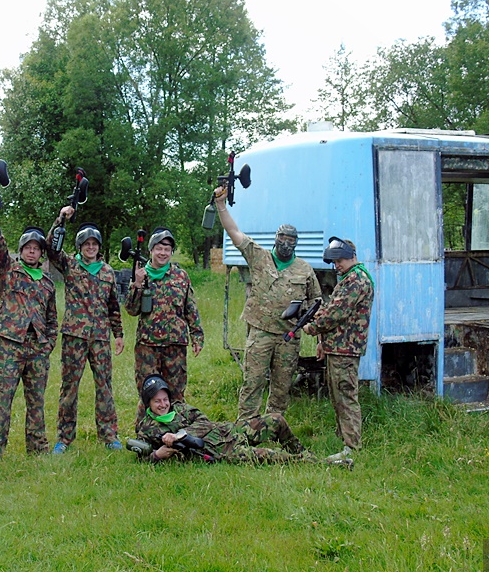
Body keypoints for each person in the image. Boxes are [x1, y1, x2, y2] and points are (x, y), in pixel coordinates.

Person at [213, 186, 321, 421]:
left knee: (282, 388)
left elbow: (316, 304)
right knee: (253, 382)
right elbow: (234, 232)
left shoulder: (305, 269)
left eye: (291, 240)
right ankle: (245, 430)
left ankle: (273, 427)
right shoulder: (259, 256)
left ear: (296, 243)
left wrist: (314, 329)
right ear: (275, 238)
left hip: (288, 338)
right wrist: (221, 205)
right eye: (282, 238)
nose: (286, 243)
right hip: (260, 335)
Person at [0, 190, 58, 462]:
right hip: (9, 348)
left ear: (41, 253)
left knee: (36, 403)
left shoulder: (48, 283)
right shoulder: (8, 270)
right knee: (2, 401)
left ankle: (38, 450)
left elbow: (52, 320)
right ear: (21, 250)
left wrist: (47, 345)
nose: (32, 251)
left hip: (37, 349)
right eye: (28, 247)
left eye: (37, 248)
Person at [136, 376, 351, 466]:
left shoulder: (180, 408)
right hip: (222, 450)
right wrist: (157, 455)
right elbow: (140, 456)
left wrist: (179, 435)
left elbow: (204, 421)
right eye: (157, 402)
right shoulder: (147, 428)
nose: (163, 404)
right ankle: (326, 464)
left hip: (230, 430)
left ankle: (303, 452)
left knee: (276, 420)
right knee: (274, 457)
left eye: (165, 399)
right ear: (149, 404)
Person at [46, 208, 124, 454]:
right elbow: (50, 248)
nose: (90, 247)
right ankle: (64, 438)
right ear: (79, 246)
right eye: (86, 244)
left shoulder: (107, 272)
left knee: (105, 386)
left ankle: (109, 435)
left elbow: (113, 305)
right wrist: (61, 219)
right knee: (70, 387)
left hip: (100, 337)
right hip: (74, 337)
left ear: (99, 246)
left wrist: (118, 334)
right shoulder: (70, 265)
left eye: (94, 244)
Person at [303, 237, 374, 463]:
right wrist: (324, 342)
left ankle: (352, 447)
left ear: (351, 256)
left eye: (339, 260)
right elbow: (335, 312)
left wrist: (312, 328)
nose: (336, 266)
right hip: (338, 346)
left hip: (346, 348)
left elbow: (336, 313)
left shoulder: (356, 280)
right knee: (337, 395)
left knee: (345, 395)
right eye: (334, 262)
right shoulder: (349, 278)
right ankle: (344, 438)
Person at [124, 227, 204, 428]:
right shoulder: (140, 274)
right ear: (151, 250)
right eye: (159, 248)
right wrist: (137, 285)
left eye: (167, 249)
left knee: (175, 392)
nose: (162, 253)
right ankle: (145, 432)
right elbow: (131, 310)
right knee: (148, 390)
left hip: (175, 346)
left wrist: (197, 336)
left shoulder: (181, 276)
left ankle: (177, 431)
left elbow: (190, 308)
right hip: (147, 346)